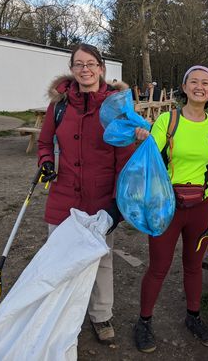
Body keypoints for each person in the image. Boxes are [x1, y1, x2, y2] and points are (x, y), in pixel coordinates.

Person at [133, 65, 208, 353]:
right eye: (193, 81)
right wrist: (143, 140)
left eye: (205, 82)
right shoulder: (167, 121)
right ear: (184, 88)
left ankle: (193, 317)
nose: (199, 86)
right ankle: (144, 322)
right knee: (159, 266)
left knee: (194, 266)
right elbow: (152, 157)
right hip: (167, 206)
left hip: (201, 206)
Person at [37, 43, 135, 345]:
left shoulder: (116, 107)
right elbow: (44, 143)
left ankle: (101, 314)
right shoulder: (60, 104)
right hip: (64, 194)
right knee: (60, 257)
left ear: (102, 68)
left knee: (101, 259)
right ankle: (64, 313)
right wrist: (47, 163)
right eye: (79, 64)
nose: (85, 69)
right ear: (72, 69)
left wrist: (118, 202)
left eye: (91, 63)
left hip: (101, 197)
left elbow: (125, 156)